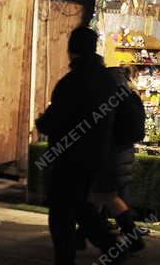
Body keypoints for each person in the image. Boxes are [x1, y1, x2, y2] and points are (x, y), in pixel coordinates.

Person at [36, 27, 125, 265]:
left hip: (69, 155)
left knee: (61, 210)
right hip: (97, 153)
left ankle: (66, 258)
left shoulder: (71, 82)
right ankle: (111, 246)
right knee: (79, 205)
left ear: (72, 50)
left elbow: (55, 119)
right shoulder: (107, 80)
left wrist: (41, 121)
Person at [85, 66, 147, 255]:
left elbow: (99, 129)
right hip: (125, 154)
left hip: (109, 155)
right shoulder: (131, 97)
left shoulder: (109, 101)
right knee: (100, 197)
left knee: (105, 197)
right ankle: (82, 237)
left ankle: (132, 237)